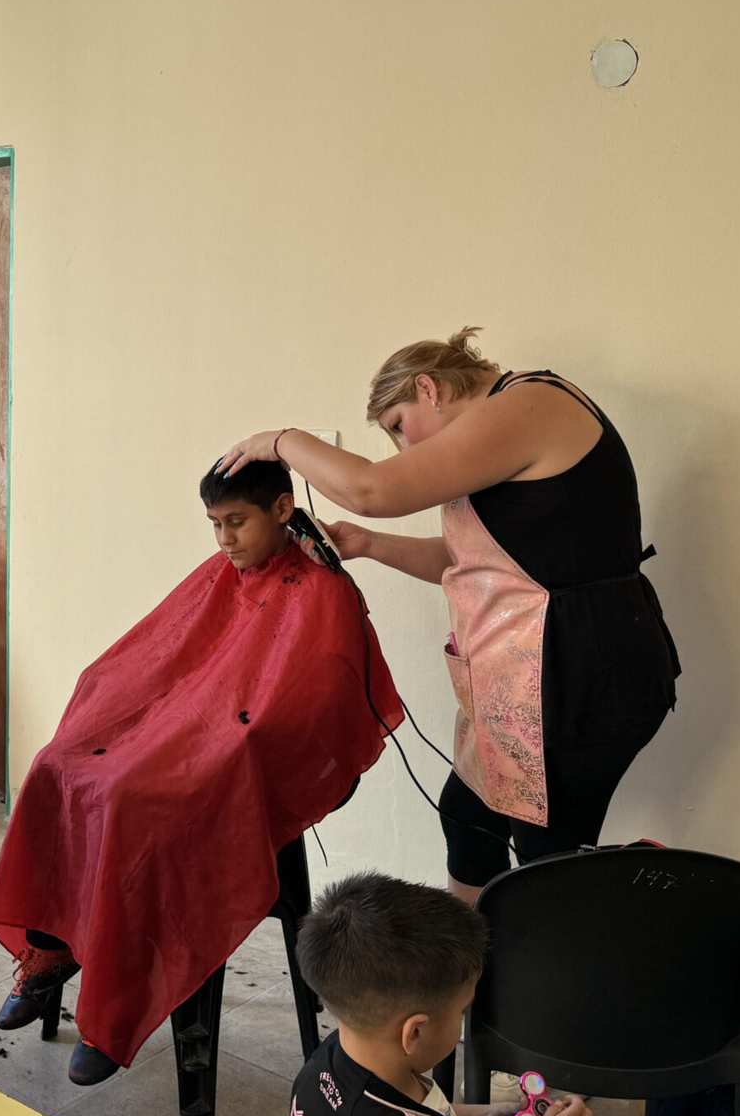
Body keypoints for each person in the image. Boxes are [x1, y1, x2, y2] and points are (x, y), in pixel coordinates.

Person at [0, 459, 403, 1084]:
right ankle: (50, 952)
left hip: (246, 760)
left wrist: (221, 742)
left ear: (283, 511)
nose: (225, 540)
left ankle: (114, 1006)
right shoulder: (220, 573)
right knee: (52, 769)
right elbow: (158, 657)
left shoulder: (324, 590)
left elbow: (306, 706)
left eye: (237, 522)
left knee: (127, 800)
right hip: (185, 733)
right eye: (214, 525)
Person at [218, 329, 679, 903]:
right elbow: (475, 565)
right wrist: (365, 543)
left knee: (546, 854)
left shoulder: (530, 405)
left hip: (584, 671)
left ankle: (543, 983)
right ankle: (466, 973)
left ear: (429, 389)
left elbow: (370, 488)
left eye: (398, 426)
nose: (402, 451)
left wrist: (281, 441)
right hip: (529, 676)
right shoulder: (499, 445)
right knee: (468, 816)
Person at [291, 871, 594, 1116]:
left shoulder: (331, 1057)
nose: (462, 1021)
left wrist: (493, 1113)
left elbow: (428, 1111)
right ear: (415, 1032)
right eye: (461, 1012)